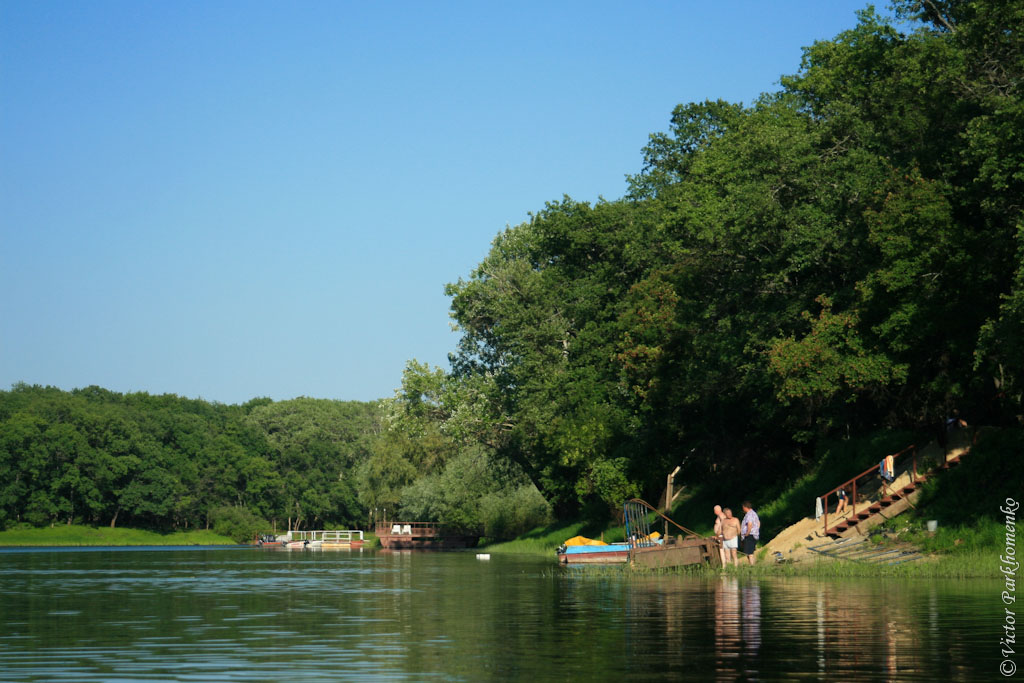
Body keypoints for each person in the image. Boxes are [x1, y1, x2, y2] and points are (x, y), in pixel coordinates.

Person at [740, 501, 760, 565]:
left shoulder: (749, 514)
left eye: (743, 507)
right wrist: (756, 530)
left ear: (745, 507)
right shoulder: (754, 513)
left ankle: (752, 565)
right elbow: (758, 523)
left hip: (750, 535)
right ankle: (752, 564)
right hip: (754, 534)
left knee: (749, 553)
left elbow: (749, 524)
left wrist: (747, 533)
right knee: (750, 552)